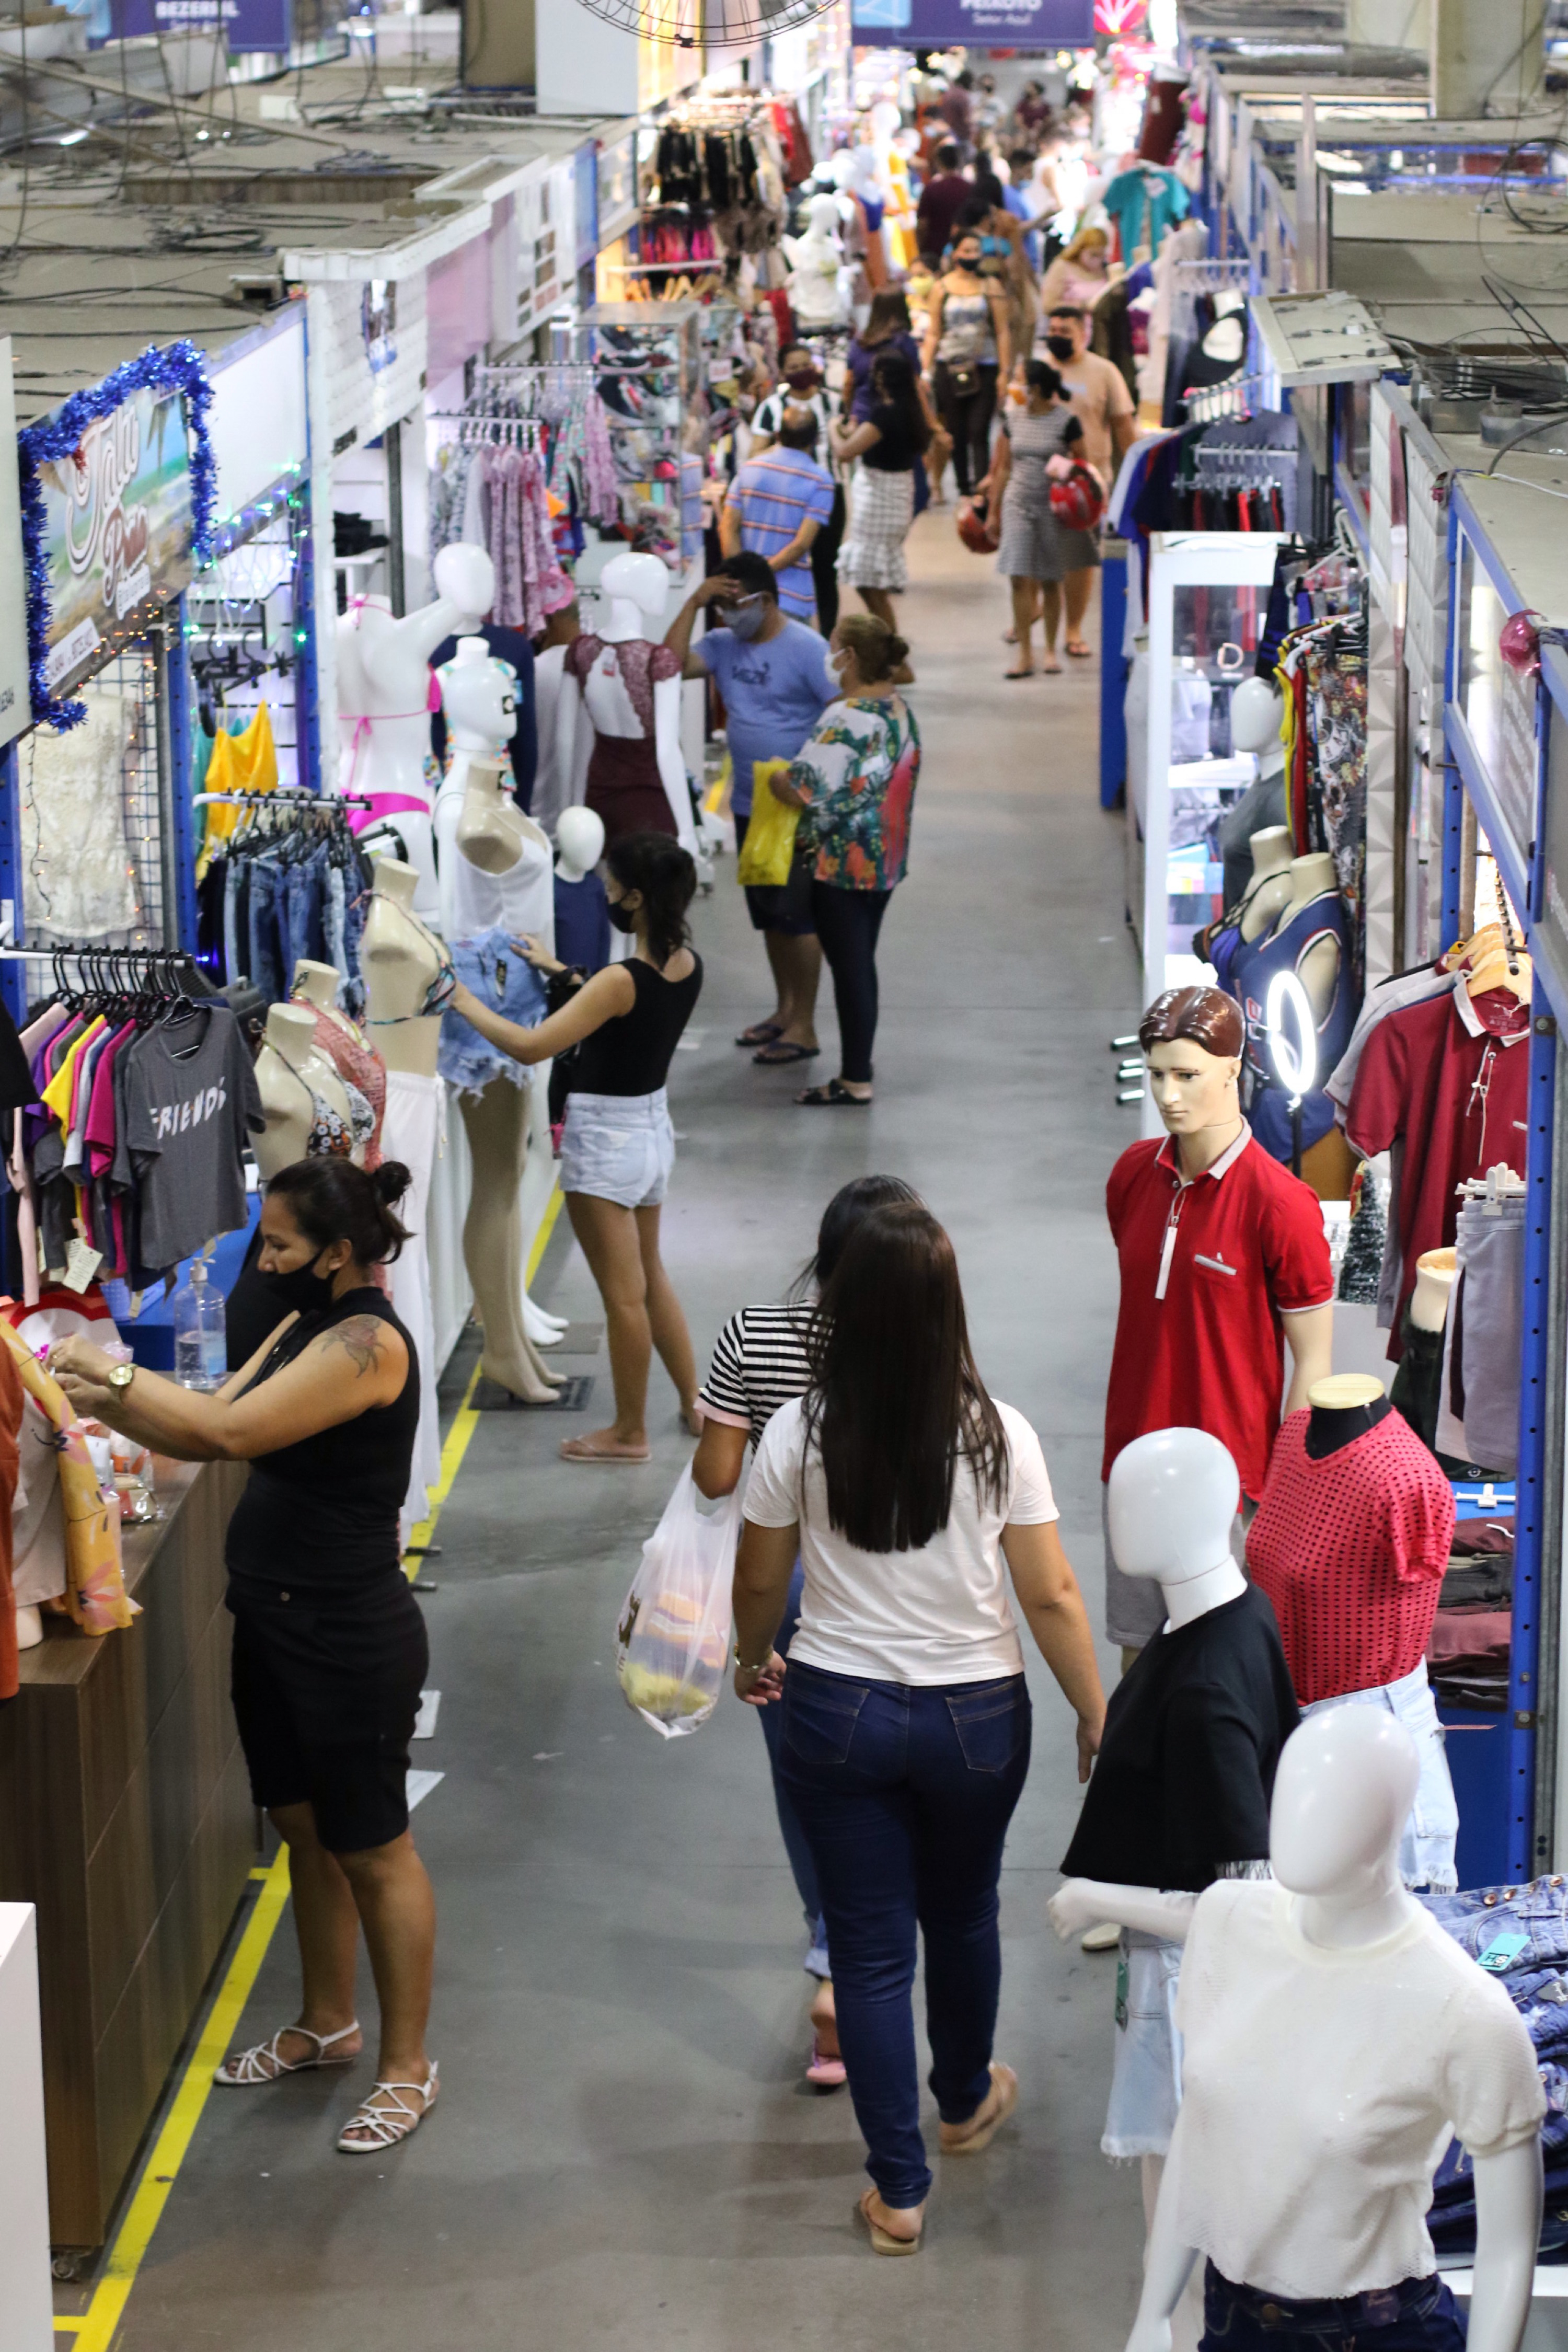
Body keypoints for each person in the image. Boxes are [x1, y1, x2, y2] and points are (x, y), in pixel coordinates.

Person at [731, 1200, 1106, 2253]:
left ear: (841, 1305)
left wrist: (752, 1656)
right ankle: (964, 2102)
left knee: (869, 1950)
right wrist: (1092, 1706)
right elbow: (1052, 1596)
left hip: (838, 1712)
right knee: (965, 1910)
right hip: (977, 1720)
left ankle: (899, 2192)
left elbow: (762, 1577)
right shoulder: (997, 1433)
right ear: (949, 1306)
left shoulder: (797, 1431)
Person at [48, 1158, 439, 2155]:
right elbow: (209, 1403)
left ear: (338, 1253)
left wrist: (115, 1379)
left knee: (373, 1846)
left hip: (348, 1633)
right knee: (304, 1827)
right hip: (271, 1618)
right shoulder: (298, 1324)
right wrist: (87, 1395)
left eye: (279, 1246)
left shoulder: (365, 1343)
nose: (262, 1261)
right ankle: (327, 2021)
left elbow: (225, 1434)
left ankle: (407, 2068)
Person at [692, 1172, 921, 2086]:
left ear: (820, 1261)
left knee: (807, 1782)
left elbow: (717, 1479)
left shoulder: (754, 1334)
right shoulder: (920, 1343)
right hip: (889, 1582)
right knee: (894, 1782)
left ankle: (831, 1945)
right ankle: (851, 1963)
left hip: (782, 1586)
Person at [448, 831, 704, 1464]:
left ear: (637, 899)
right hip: (651, 1131)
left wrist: (461, 1000)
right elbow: (620, 1010)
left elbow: (532, 1046)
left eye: (613, 890)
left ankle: (628, 1432)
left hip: (606, 1144)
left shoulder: (620, 980)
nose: (607, 897)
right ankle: (694, 1402)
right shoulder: (685, 965)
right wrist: (558, 972)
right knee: (652, 1279)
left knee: (621, 1297)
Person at [1103, 984, 1334, 1657]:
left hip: (1232, 1485)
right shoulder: (1129, 1177)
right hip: (1135, 1464)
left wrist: (1285, 1495)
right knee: (1140, 1662)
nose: (1168, 1095)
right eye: (1155, 1075)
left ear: (1232, 1069)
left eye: (1187, 1075)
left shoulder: (1280, 1204)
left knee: (1223, 1672)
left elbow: (1313, 1361)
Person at [664, 553, 836, 1067]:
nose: (725, 616)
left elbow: (844, 712)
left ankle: (804, 1025)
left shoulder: (808, 649)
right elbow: (669, 666)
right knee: (769, 917)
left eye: (731, 605)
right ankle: (784, 1011)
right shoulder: (722, 645)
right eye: (718, 606)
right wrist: (693, 601)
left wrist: (808, 777)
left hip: (795, 807)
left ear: (764, 600)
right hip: (748, 802)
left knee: (798, 917)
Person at [771, 614, 919, 1109]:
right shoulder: (899, 709)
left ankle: (856, 1078)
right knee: (861, 963)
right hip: (886, 859)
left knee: (852, 969)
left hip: (842, 864)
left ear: (850, 656)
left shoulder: (845, 719)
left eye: (833, 647)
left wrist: (776, 780)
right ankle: (858, 1068)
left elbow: (801, 787)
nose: (828, 658)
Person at [983, 358, 1098, 678]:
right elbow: (1004, 467)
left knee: (1051, 579)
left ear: (1034, 389)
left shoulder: (1066, 421)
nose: (1015, 388)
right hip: (1017, 503)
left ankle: (1049, 650)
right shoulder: (1013, 419)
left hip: (1053, 508)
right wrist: (994, 511)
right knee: (1018, 576)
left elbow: (1082, 466)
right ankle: (1024, 654)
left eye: (1020, 382)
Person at [746, 349, 845, 636]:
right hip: (786, 496)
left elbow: (846, 444)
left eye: (806, 365)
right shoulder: (771, 407)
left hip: (829, 493)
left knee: (826, 567)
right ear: (783, 372)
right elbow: (755, 452)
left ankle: (825, 635)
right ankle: (786, 629)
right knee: (789, 559)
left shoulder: (832, 402)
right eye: (794, 367)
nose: (802, 371)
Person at [830, 351, 929, 631]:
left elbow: (845, 452)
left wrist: (832, 430)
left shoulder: (885, 413)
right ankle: (885, 641)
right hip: (895, 497)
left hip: (879, 502)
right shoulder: (909, 410)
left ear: (882, 377)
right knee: (871, 581)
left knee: (868, 581)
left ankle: (890, 646)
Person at [722, 406, 836, 628]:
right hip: (791, 599)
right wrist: (763, 572)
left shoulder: (749, 469)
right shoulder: (821, 482)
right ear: (817, 440)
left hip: (744, 596)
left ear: (777, 435)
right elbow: (801, 544)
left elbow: (728, 526)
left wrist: (744, 576)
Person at [921, 225, 1012, 500]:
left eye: (977, 251)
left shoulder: (990, 287)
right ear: (956, 253)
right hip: (949, 365)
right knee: (956, 431)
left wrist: (1004, 372)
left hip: (984, 365)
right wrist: (925, 369)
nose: (973, 255)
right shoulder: (942, 288)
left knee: (979, 428)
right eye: (968, 250)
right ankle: (963, 488)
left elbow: (1002, 330)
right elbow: (934, 331)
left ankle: (982, 488)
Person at [843, 291, 924, 422]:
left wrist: (849, 414)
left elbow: (848, 384)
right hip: (897, 421)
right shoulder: (904, 343)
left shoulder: (858, 343)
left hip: (861, 417)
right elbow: (917, 385)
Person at [914, 139, 970, 261]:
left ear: (939, 162)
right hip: (965, 250)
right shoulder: (970, 188)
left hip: (934, 252)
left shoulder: (932, 189)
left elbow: (922, 225)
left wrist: (921, 250)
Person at [1040, 222, 1112, 316]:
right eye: (1094, 255)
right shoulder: (1062, 267)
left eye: (1102, 256)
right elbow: (1048, 305)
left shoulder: (1106, 270)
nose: (1098, 261)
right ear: (1080, 249)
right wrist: (1081, 306)